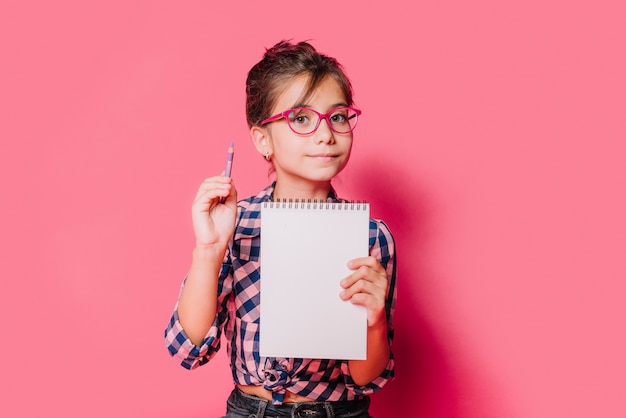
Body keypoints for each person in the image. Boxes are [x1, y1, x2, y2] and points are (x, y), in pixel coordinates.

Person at [164, 40, 397, 418]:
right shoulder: (236, 223)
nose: (326, 134)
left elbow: (366, 378)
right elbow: (188, 348)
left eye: (338, 117)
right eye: (301, 119)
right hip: (250, 410)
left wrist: (374, 320)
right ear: (262, 139)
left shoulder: (371, 238)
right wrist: (208, 250)